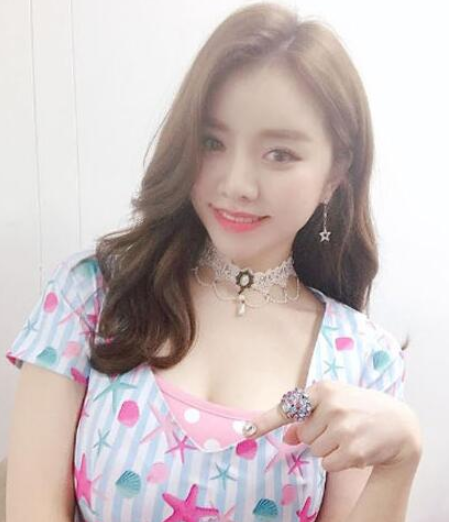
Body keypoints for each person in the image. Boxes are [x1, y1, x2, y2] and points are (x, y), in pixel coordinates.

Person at [5, 2, 422, 521]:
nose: (237, 184)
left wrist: (401, 459)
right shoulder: (90, 295)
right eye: (213, 142)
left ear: (335, 173)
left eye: (279, 154)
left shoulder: (365, 359)